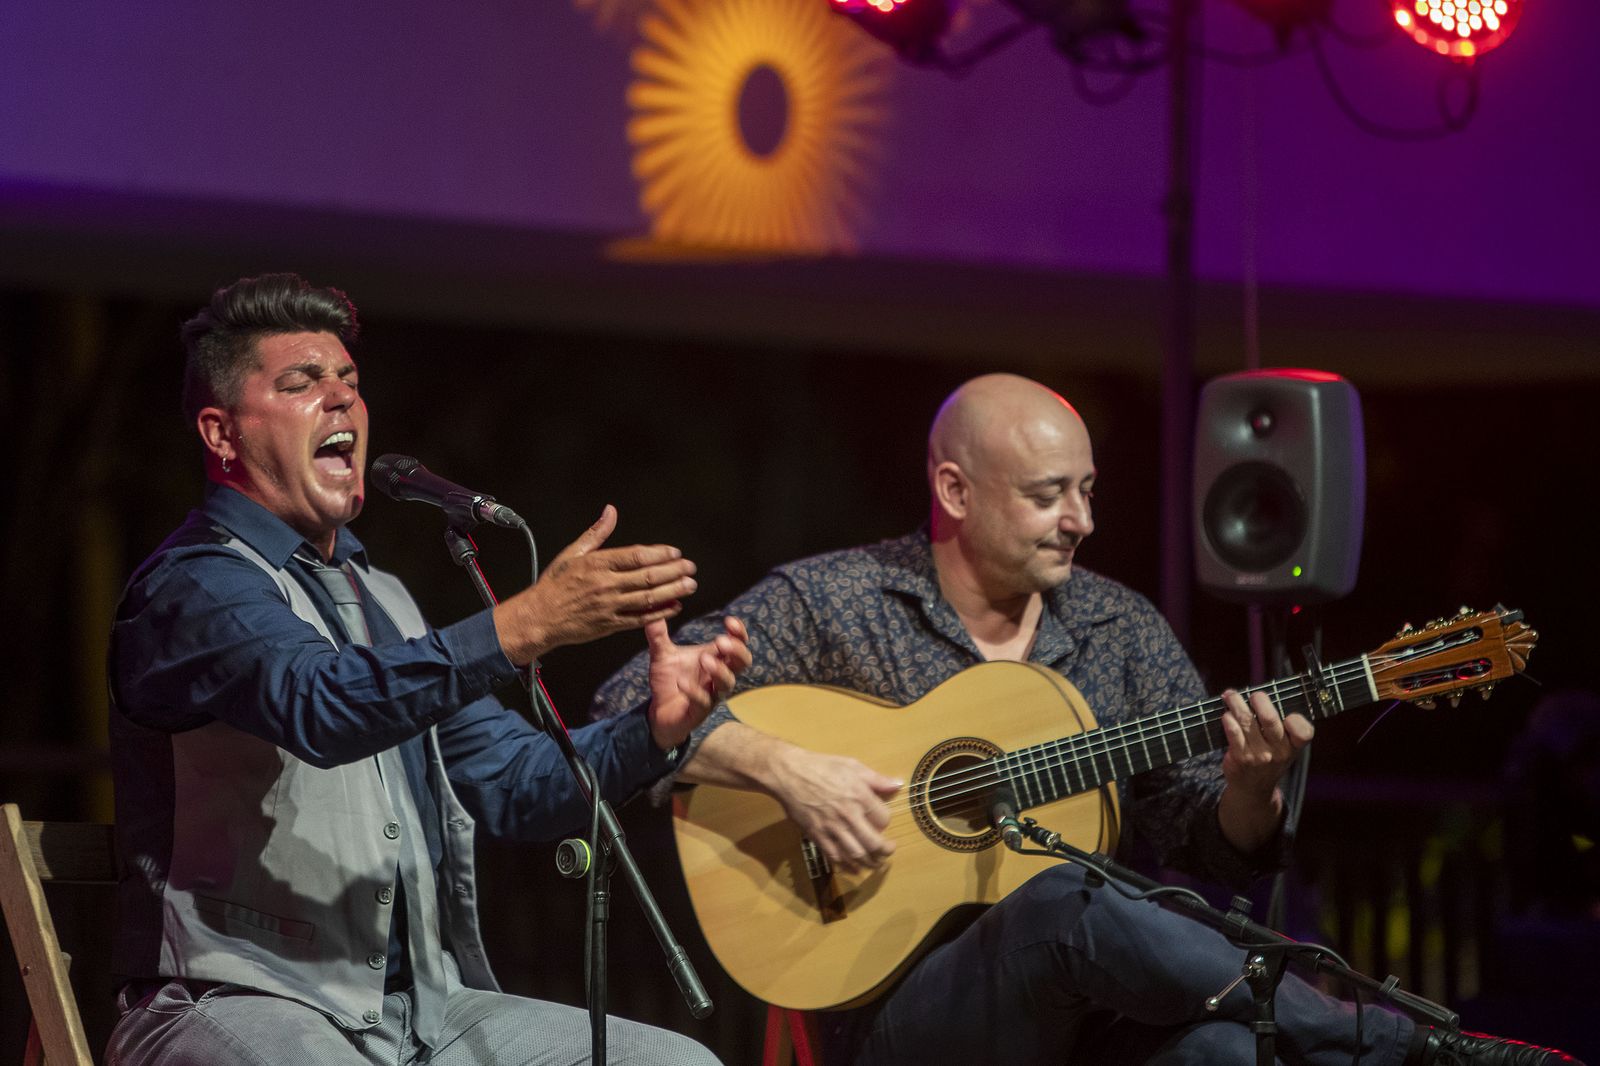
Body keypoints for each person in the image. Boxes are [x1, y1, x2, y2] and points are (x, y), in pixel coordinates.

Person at [592, 373, 1581, 1066]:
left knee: (1228, 1051)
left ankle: (1373, 1043)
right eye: (1049, 495)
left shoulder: (1115, 625)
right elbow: (624, 710)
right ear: (952, 490)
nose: (1082, 520)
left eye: (1089, 490)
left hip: (1087, 1025)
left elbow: (1214, 848)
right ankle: (1411, 1046)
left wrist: (1249, 789)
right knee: (1063, 894)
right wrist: (789, 771)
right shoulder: (832, 602)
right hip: (901, 1025)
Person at [107, 273, 753, 1066]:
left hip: (425, 1015)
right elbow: (323, 704)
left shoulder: (383, 599)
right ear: (221, 434)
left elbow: (516, 784)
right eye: (301, 383)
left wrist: (654, 729)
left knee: (683, 1064)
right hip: (243, 1000)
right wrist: (527, 623)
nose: (341, 400)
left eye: (349, 381)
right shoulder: (196, 585)